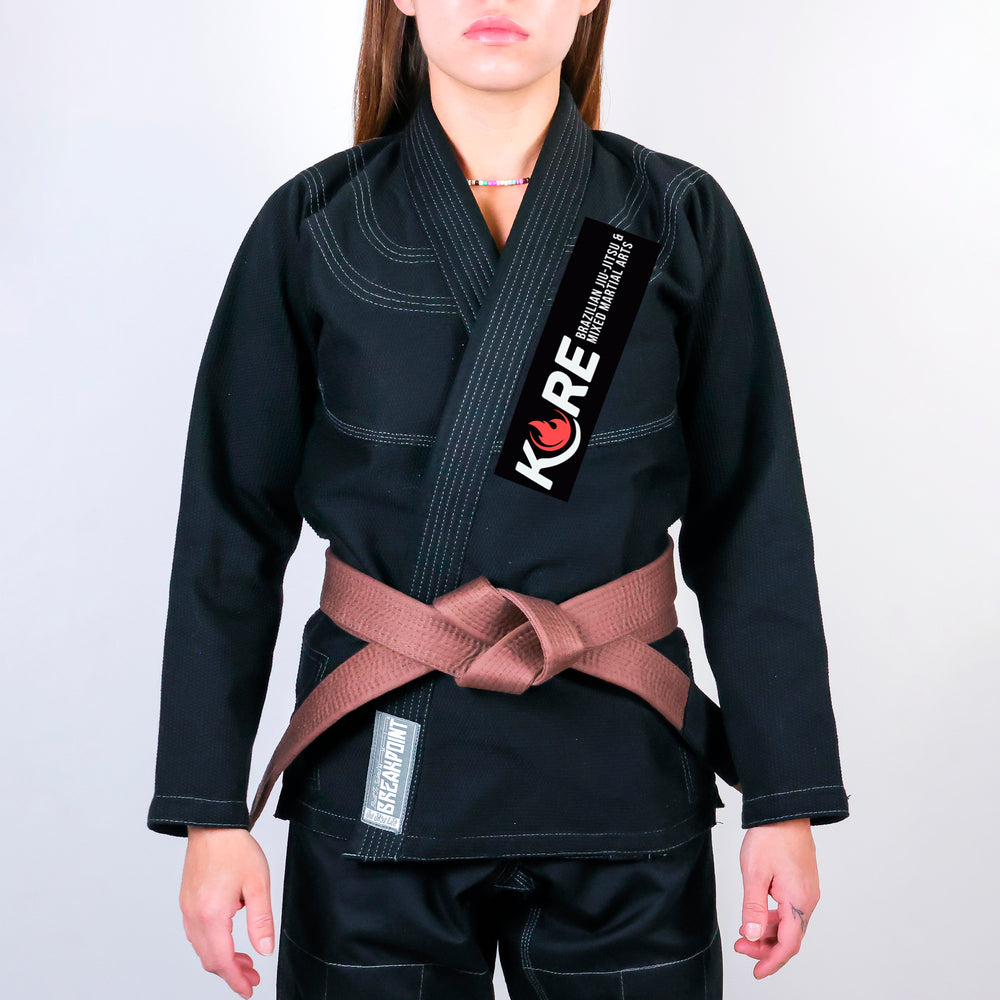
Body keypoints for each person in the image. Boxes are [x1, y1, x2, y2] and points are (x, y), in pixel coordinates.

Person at [146, 2, 850, 997]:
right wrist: (210, 812)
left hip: (622, 779)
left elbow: (751, 520)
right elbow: (229, 527)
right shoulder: (315, 226)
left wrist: (785, 798)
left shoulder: (669, 219)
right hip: (384, 769)